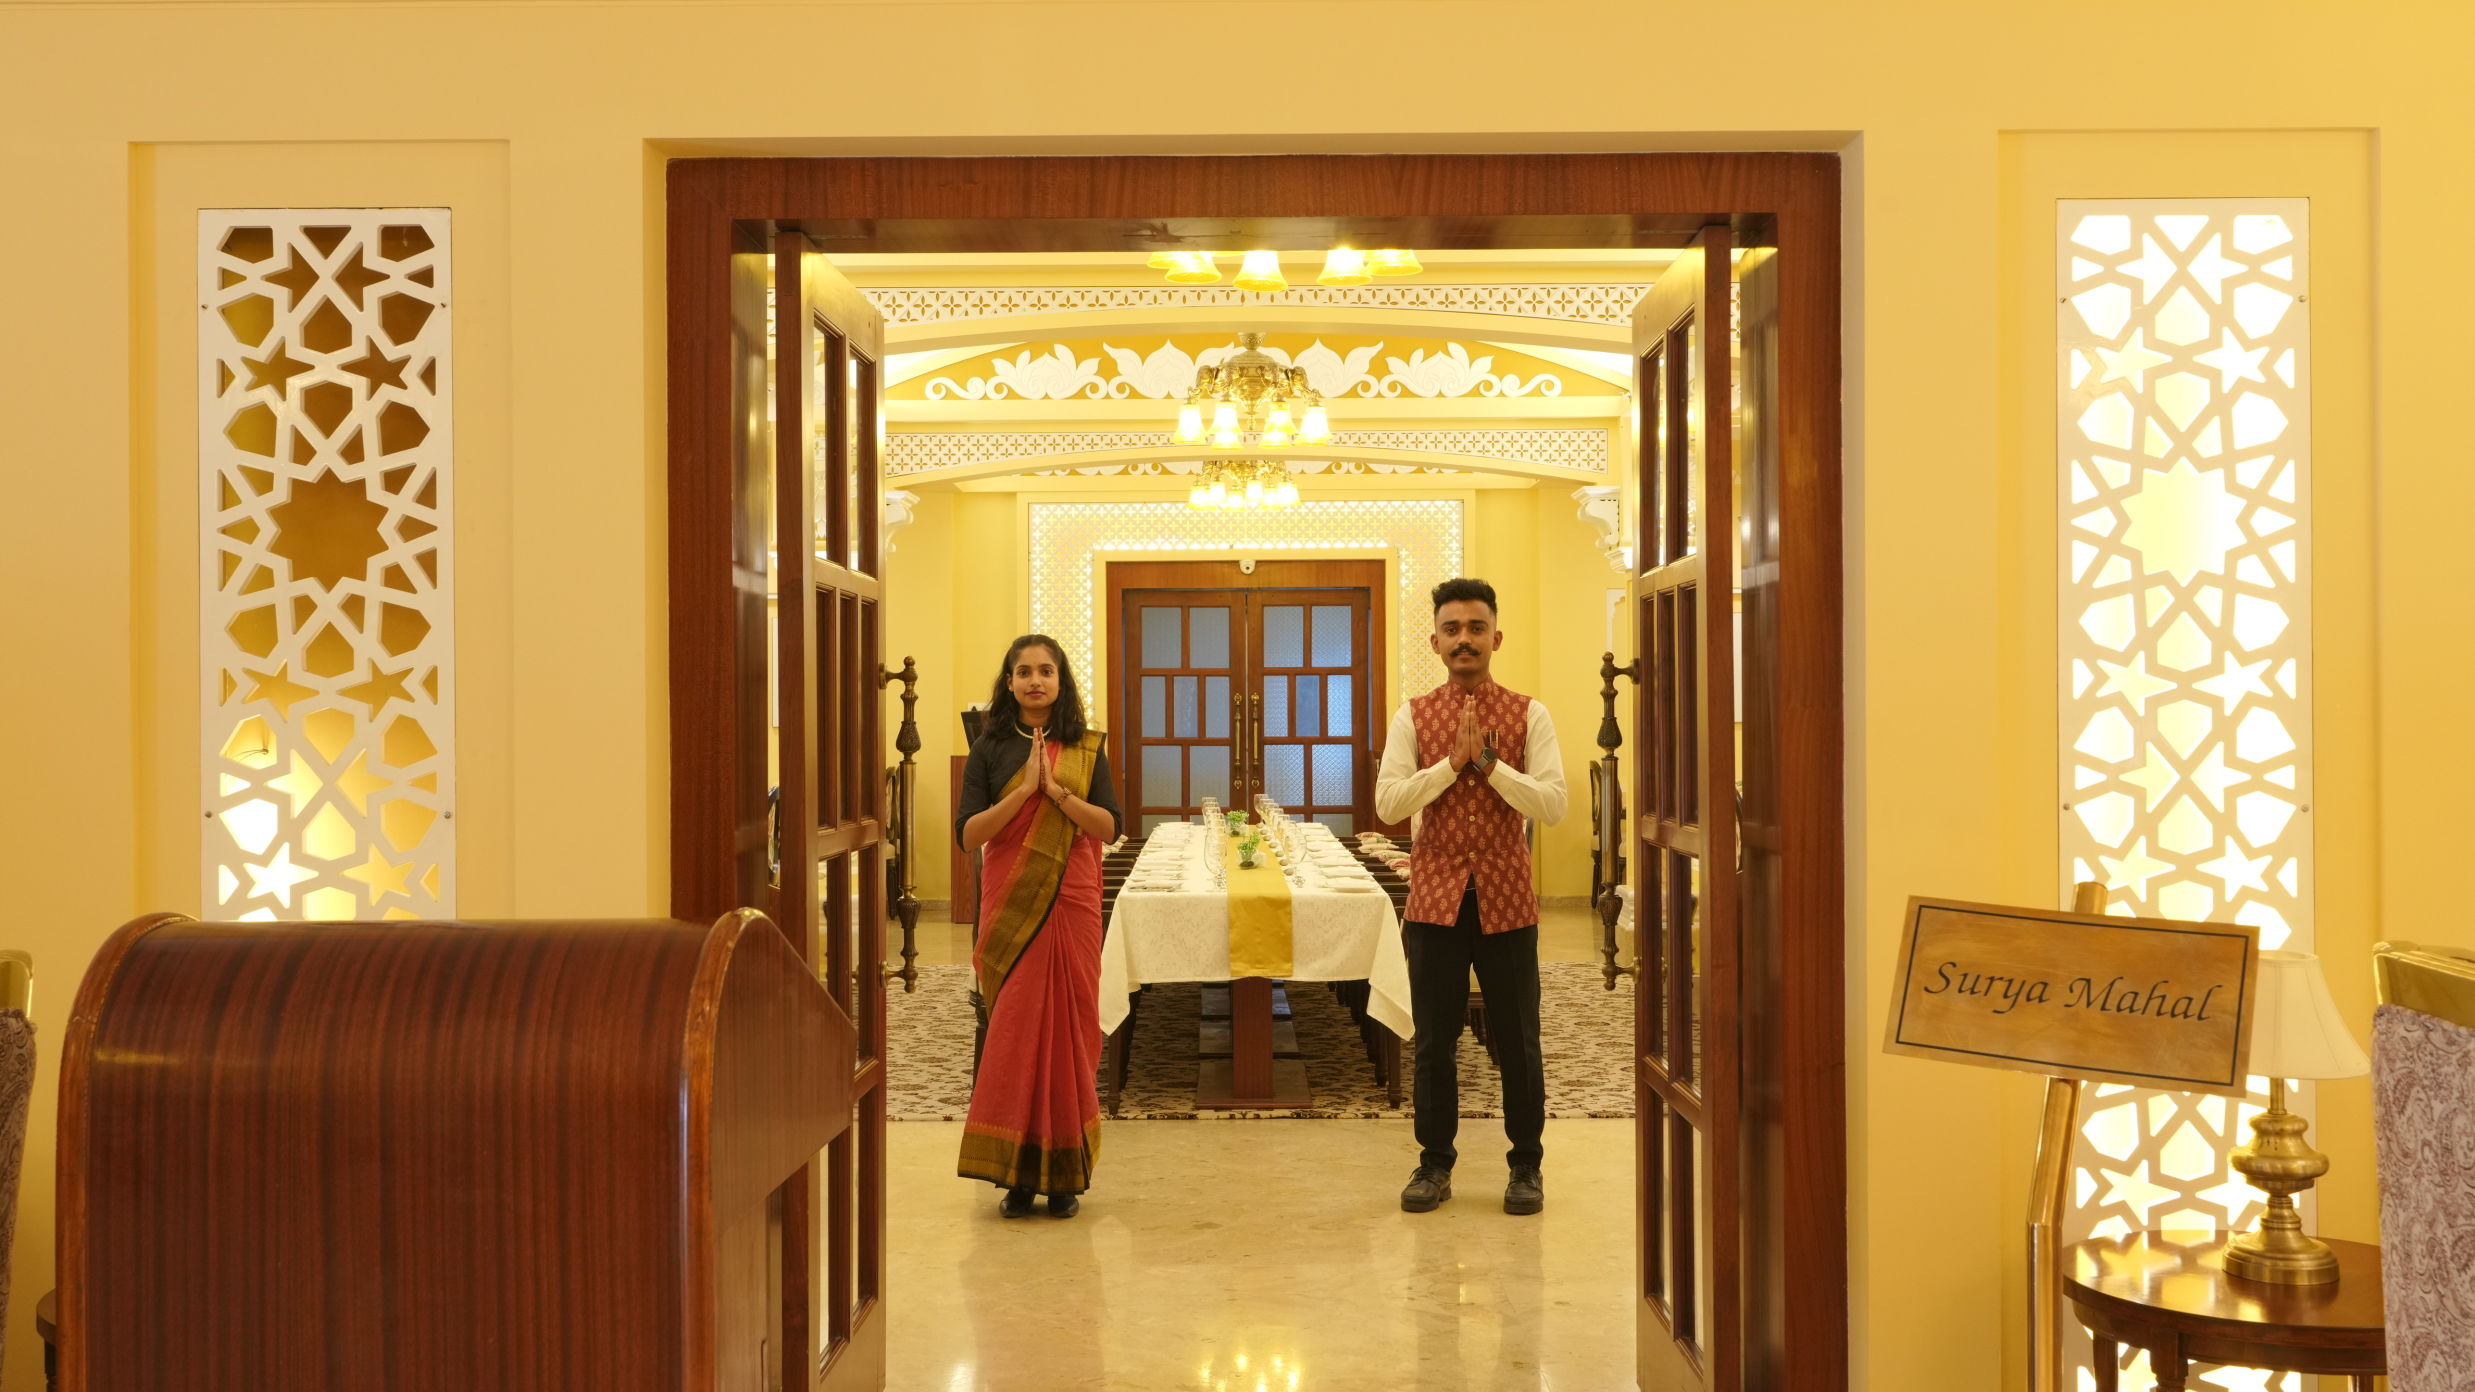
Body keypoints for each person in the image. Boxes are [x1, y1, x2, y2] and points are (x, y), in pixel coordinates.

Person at [1374, 577, 1568, 1215]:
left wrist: (1487, 761)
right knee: (1433, 1039)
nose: (1464, 640)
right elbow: (1388, 804)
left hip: (1507, 898)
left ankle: (1526, 1165)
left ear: (1496, 638)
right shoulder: (1412, 714)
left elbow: (1554, 804)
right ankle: (1433, 1163)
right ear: (1435, 641)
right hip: (1434, 900)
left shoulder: (1529, 713)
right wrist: (1449, 766)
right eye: (1452, 629)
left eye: (1476, 628)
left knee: (1518, 1038)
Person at [953, 634, 1122, 1218]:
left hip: (1071, 902)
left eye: (1045, 671)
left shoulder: (1085, 746)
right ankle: (1016, 1176)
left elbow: (1107, 829)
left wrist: (1058, 795)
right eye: (1023, 671)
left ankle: (1065, 1176)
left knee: (1070, 1032)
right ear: (1008, 682)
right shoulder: (990, 747)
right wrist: (1024, 790)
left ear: (1061, 680)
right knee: (1014, 1035)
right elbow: (970, 835)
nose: (1034, 681)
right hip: (1011, 908)